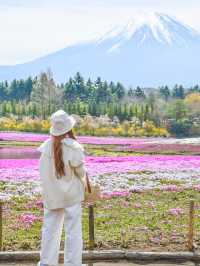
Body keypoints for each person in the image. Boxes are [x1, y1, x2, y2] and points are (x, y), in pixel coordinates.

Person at [37, 109, 87, 266]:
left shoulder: (45, 148)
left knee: (50, 231)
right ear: (69, 128)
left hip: (52, 196)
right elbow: (81, 172)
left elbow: (43, 173)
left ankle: (46, 263)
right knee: (73, 232)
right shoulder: (74, 147)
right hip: (72, 196)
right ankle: (73, 264)